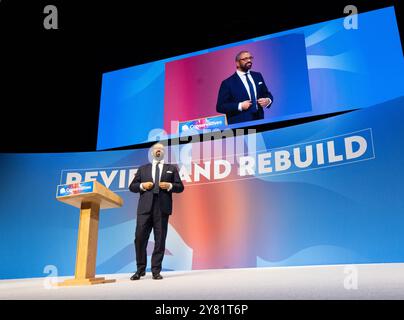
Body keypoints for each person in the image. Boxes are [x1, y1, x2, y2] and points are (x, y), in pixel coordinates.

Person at [129, 142, 184, 280]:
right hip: (144, 209)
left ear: (164, 152)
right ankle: (140, 270)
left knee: (160, 240)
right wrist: (142, 185)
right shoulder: (143, 169)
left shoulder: (171, 168)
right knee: (140, 239)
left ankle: (156, 271)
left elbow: (180, 187)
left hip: (162, 208)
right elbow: (132, 187)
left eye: (160, 149)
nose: (158, 151)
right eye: (156, 149)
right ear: (152, 152)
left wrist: (170, 185)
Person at [216, 50, 274, 124]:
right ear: (237, 63)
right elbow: (220, 107)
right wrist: (240, 106)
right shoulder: (227, 83)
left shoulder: (258, 76)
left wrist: (268, 100)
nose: (249, 60)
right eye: (245, 59)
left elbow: (266, 93)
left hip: (259, 120)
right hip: (240, 125)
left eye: (250, 58)